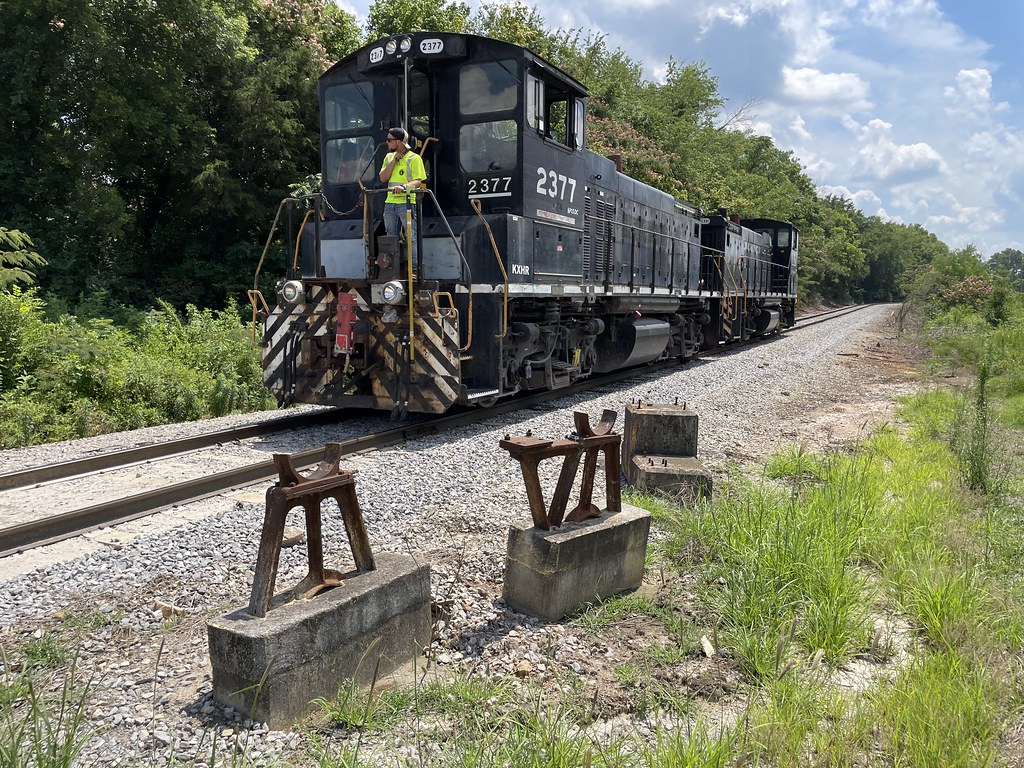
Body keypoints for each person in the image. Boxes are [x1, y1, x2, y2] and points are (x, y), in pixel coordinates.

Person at [378, 127, 427, 248]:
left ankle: (414, 266)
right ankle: (392, 266)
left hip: (407, 202)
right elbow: (383, 178)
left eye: (389, 140)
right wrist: (394, 161)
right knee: (390, 237)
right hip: (390, 202)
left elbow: (418, 181)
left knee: (411, 237)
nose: (387, 142)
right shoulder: (389, 157)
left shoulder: (414, 158)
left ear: (398, 142)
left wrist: (403, 187)